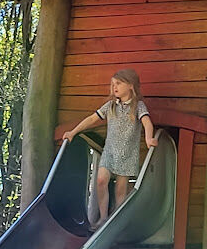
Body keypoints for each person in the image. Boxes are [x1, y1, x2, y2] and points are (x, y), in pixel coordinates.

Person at [62, 68, 159, 227]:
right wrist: (73, 132)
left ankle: (116, 223)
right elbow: (92, 119)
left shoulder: (138, 106)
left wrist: (149, 138)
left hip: (128, 153)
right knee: (101, 180)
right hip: (110, 151)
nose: (114, 87)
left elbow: (147, 122)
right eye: (113, 84)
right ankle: (104, 217)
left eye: (119, 83)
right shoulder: (110, 106)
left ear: (130, 86)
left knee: (121, 190)